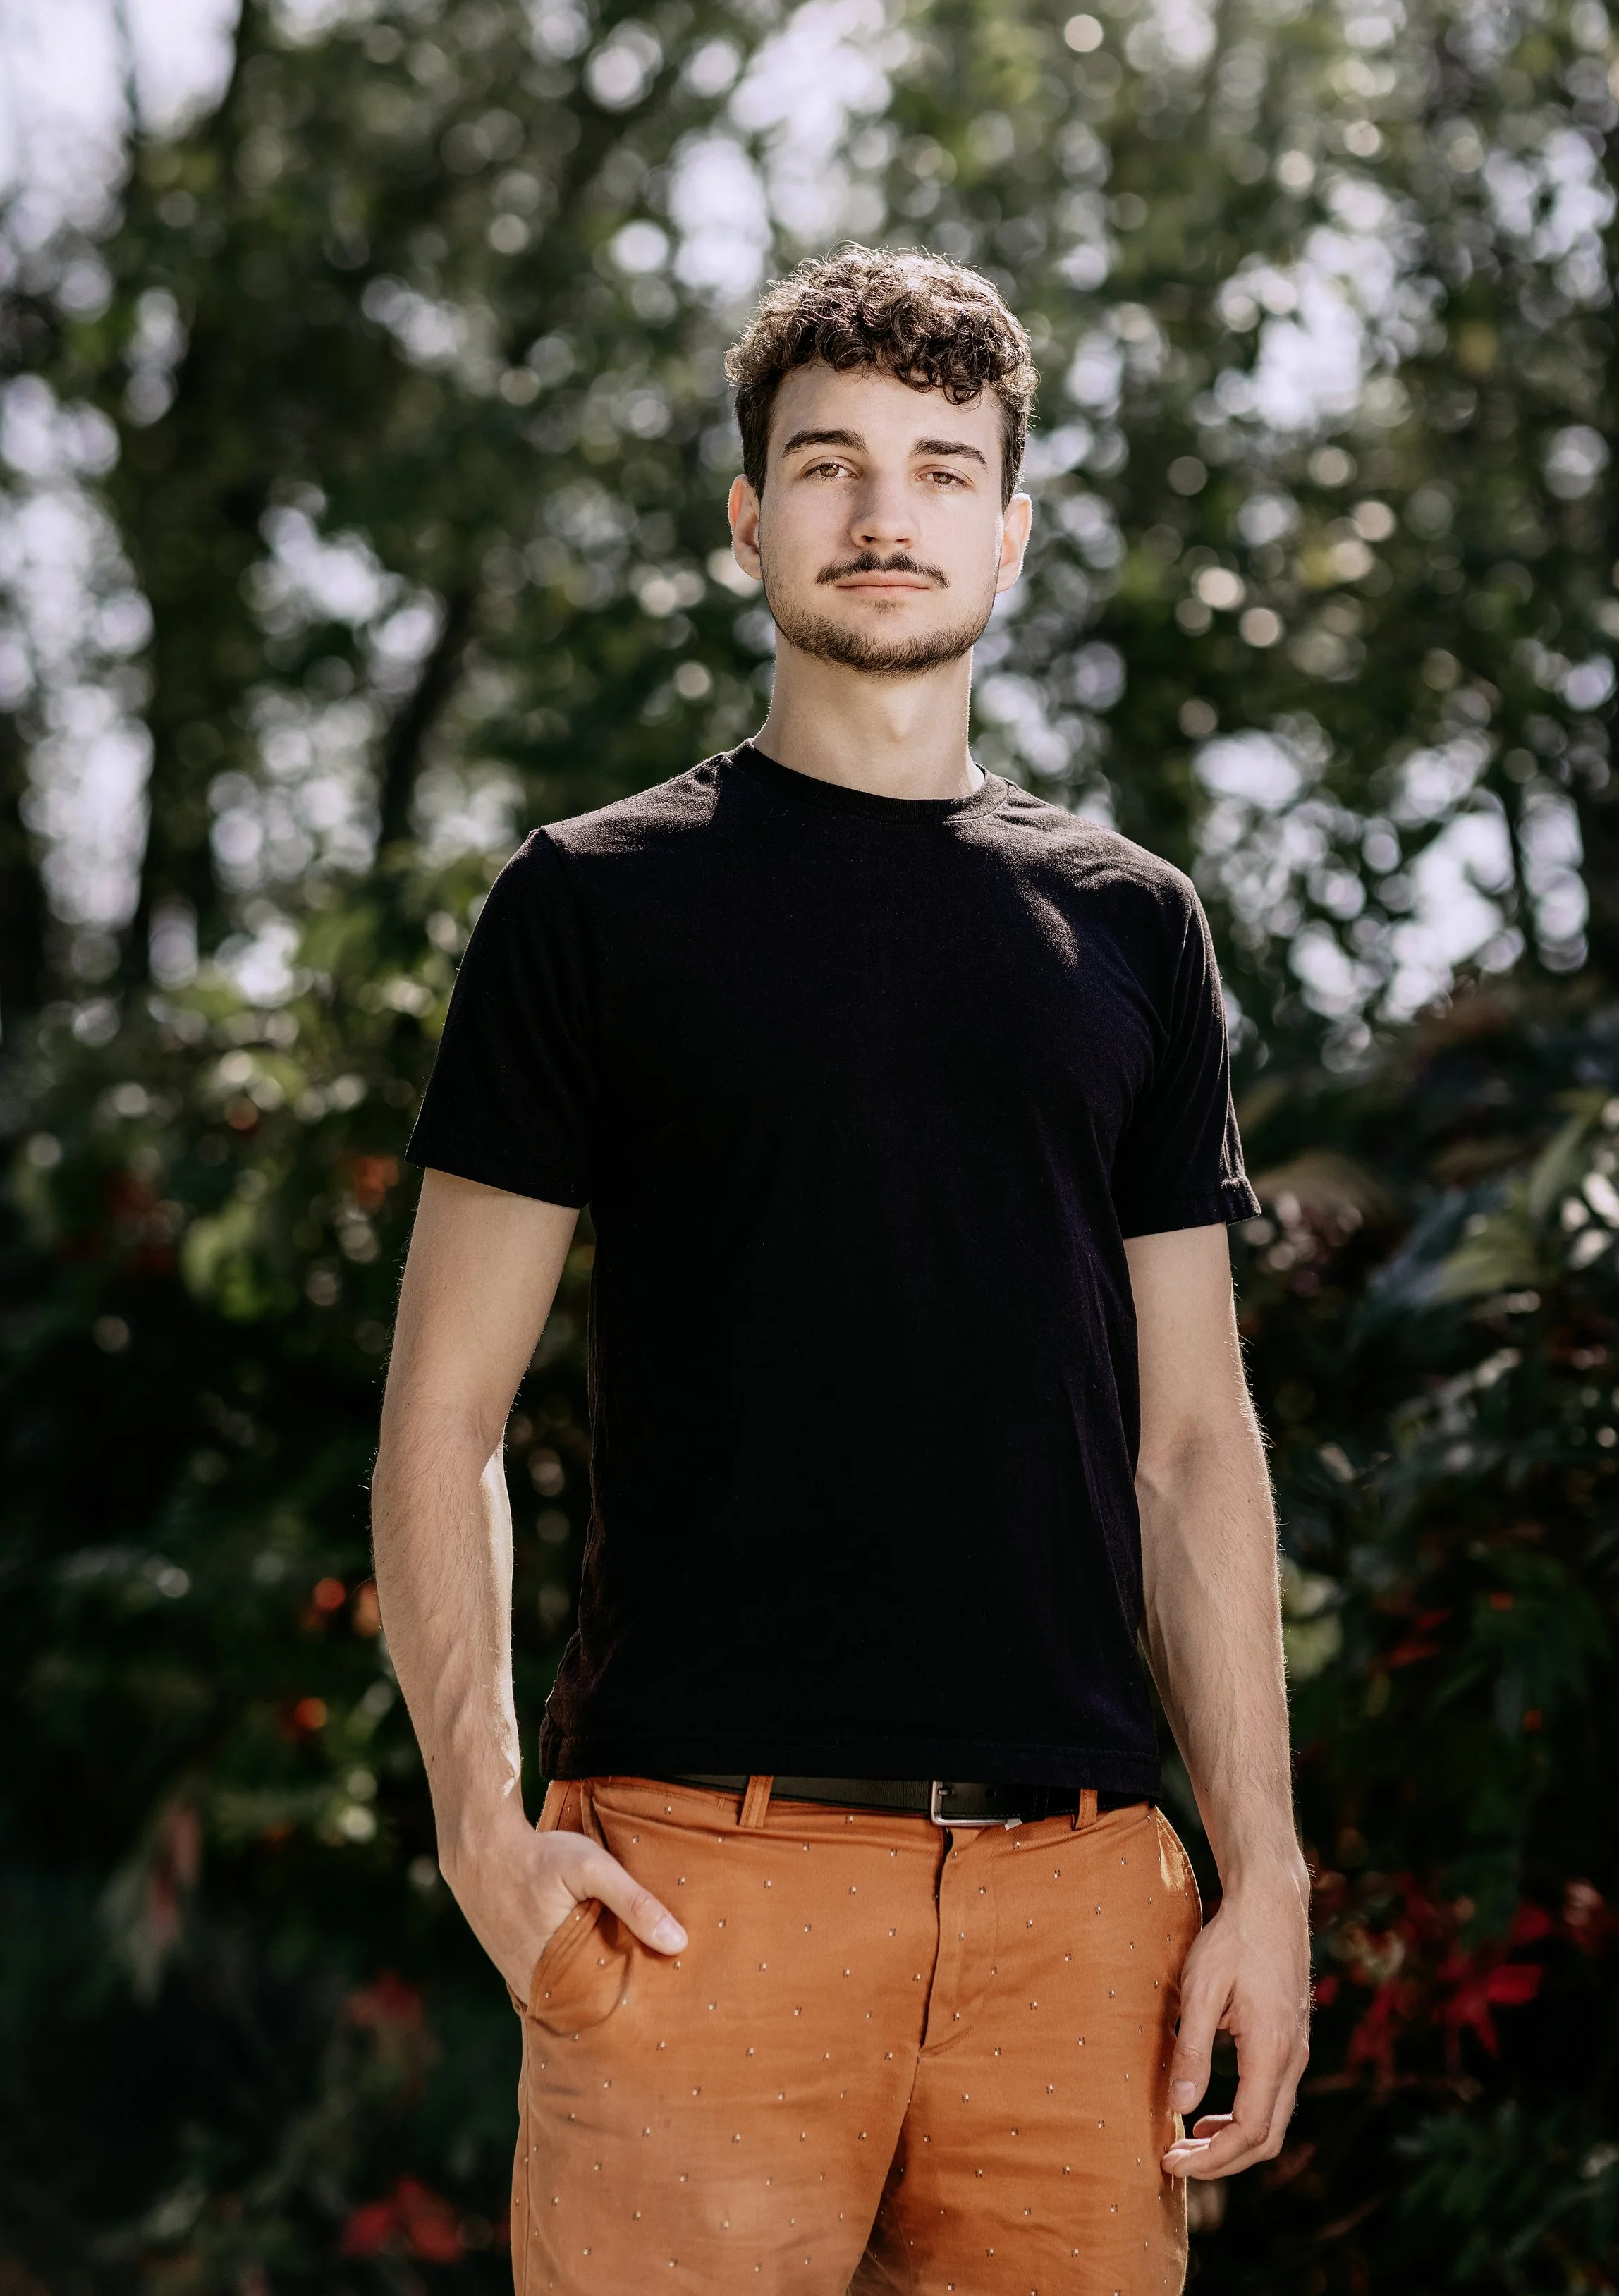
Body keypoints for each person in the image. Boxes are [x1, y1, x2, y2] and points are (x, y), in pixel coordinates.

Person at [373, 246, 1311, 2295]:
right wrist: (476, 1827)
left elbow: (1188, 1444)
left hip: (1079, 1916)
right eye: (827, 465)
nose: (884, 515)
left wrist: (1265, 1878)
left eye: (937, 467)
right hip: (699, 1881)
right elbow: (440, 1416)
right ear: (748, 519)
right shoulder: (590, 904)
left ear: (1011, 527)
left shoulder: (1132, 928)